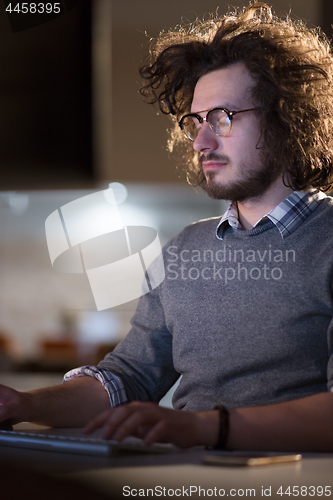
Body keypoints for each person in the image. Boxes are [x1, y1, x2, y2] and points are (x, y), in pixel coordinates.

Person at [1, 1, 333, 451]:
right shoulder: (184, 250)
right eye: (196, 121)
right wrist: (25, 405)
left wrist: (205, 429)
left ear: (286, 118)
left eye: (222, 118)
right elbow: (128, 377)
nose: (200, 141)